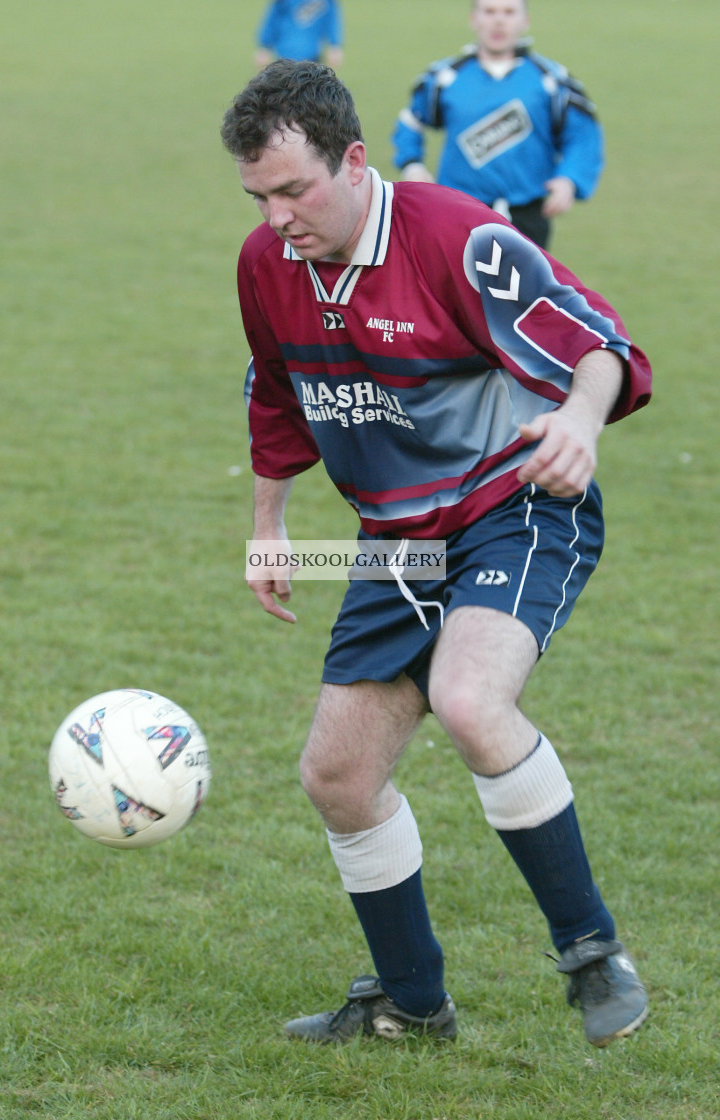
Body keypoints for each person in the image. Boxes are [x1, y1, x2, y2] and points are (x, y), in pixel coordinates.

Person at [221, 59, 651, 1048]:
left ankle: (592, 954)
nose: (278, 217)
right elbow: (277, 394)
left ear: (357, 160)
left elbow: (597, 342)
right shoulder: (265, 264)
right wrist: (268, 523)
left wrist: (581, 423)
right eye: (259, 197)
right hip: (397, 541)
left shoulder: (454, 236)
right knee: (336, 774)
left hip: (517, 500)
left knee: (468, 697)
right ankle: (413, 1003)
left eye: (296, 189)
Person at [392, 0, 603, 248]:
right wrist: (412, 164)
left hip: (528, 214)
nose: (498, 21)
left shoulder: (552, 81)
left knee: (525, 287)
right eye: (489, 12)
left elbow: (583, 134)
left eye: (509, 12)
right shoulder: (443, 79)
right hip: (456, 211)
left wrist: (570, 178)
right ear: (474, 19)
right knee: (455, 287)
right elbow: (410, 122)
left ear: (525, 21)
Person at [254, 0, 344, 71]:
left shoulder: (326, 2)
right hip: (285, 57)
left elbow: (332, 22)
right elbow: (272, 21)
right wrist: (264, 46)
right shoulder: (282, 2)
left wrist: (334, 45)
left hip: (312, 57)